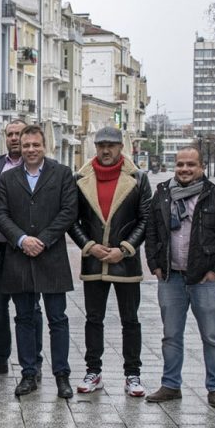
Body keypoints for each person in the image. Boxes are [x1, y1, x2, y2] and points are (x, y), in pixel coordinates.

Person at [145, 147, 215, 409]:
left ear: (202, 167)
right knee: (171, 335)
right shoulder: (163, 194)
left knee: (211, 336)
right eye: (180, 165)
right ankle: (171, 385)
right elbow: (152, 231)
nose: (184, 169)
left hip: (204, 279)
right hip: (171, 276)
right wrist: (154, 264)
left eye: (190, 165)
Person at [68, 127, 152, 397]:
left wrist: (125, 248)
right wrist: (89, 246)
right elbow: (72, 219)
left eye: (111, 145)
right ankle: (93, 371)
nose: (106, 150)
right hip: (94, 262)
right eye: (101, 145)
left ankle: (133, 374)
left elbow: (146, 218)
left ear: (121, 147)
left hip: (126, 262)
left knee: (131, 319)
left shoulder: (138, 178)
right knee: (94, 319)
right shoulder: (80, 178)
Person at [0, 125, 78, 399]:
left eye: (35, 145)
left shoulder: (62, 174)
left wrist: (42, 239)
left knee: (58, 319)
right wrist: (21, 239)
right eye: (26, 144)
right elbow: (1, 214)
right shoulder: (8, 178)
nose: (30, 149)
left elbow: (68, 212)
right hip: (19, 257)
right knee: (24, 318)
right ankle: (28, 374)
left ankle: (61, 376)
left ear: (45, 146)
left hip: (51, 256)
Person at [0, 119, 44, 380]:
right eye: (11, 134)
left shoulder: (37, 167)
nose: (15, 138)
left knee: (29, 308)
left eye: (19, 134)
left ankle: (34, 361)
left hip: (24, 249)